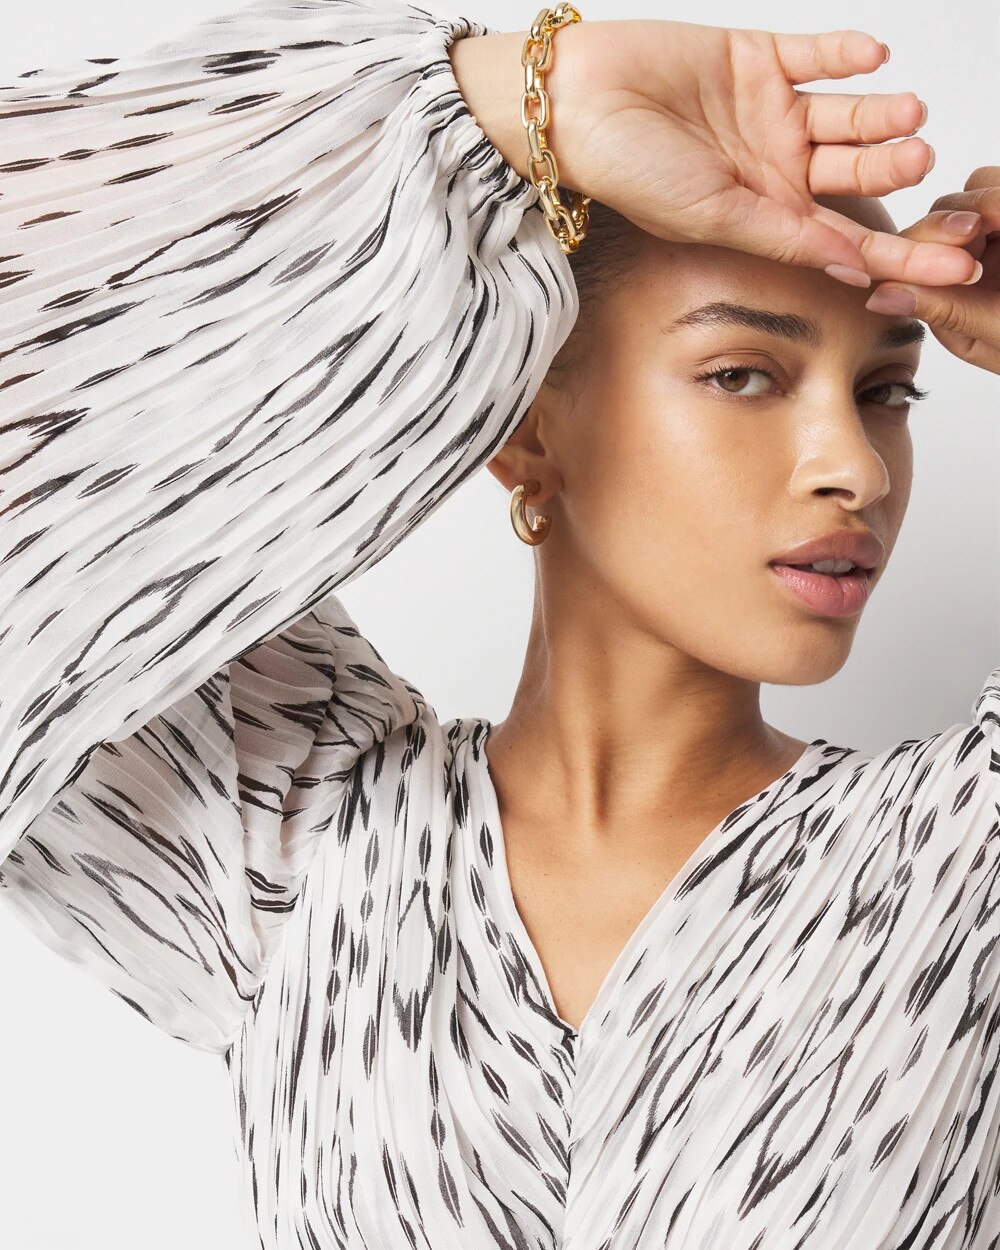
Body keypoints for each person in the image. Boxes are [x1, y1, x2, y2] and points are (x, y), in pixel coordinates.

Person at [0, 0, 997, 1245]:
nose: (855, 465)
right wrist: (513, 102)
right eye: (742, 373)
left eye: (886, 390)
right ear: (527, 426)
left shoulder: (960, 863)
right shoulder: (289, 838)